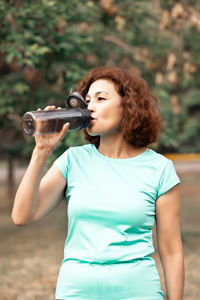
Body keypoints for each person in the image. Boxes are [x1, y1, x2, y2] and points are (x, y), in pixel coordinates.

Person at [12, 66, 185, 299]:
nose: (90, 106)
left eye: (101, 98)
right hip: (76, 293)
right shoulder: (73, 161)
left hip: (138, 292)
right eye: (87, 100)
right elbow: (21, 216)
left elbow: (172, 251)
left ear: (129, 105)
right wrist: (41, 151)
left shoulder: (159, 169)